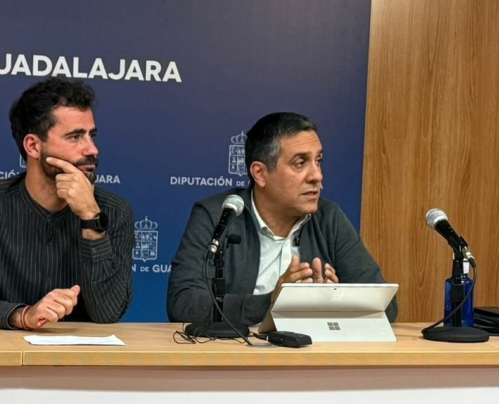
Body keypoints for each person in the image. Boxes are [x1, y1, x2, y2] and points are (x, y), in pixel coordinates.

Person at [167, 112, 396, 329]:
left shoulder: (329, 219)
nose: (317, 175)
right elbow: (183, 303)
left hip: (307, 354)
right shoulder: (219, 215)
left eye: (318, 161)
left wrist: (333, 301)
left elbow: (386, 307)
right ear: (260, 173)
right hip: (234, 354)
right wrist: (273, 303)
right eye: (300, 163)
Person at [0, 79, 134, 329]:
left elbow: (108, 312)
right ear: (33, 146)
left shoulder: (114, 211)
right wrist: (23, 315)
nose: (92, 149)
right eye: (75, 137)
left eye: (91, 135)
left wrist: (91, 219)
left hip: (80, 353)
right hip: (2, 349)